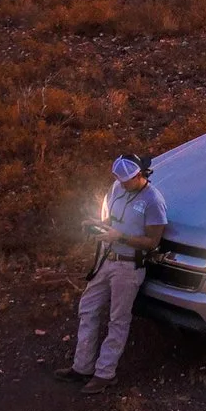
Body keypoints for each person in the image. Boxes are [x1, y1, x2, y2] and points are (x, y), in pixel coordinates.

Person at [73, 152, 166, 383]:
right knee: (88, 308)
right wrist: (98, 225)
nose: (122, 185)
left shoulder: (153, 201)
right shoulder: (117, 188)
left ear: (139, 175)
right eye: (119, 180)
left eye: (126, 181)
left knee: (118, 319)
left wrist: (121, 237)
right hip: (106, 260)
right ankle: (81, 367)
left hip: (128, 267)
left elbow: (153, 242)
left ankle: (105, 373)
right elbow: (112, 221)